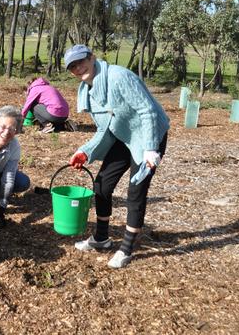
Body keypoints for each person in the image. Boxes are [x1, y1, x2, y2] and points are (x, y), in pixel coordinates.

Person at [64, 44, 169, 269]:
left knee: (135, 190)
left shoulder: (119, 76)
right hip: (124, 136)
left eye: (81, 61)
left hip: (149, 135)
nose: (78, 68)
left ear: (92, 57)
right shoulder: (89, 92)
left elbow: (147, 110)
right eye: (73, 66)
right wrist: (85, 151)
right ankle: (101, 238)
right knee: (102, 185)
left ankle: (127, 248)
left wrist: (151, 148)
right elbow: (105, 128)